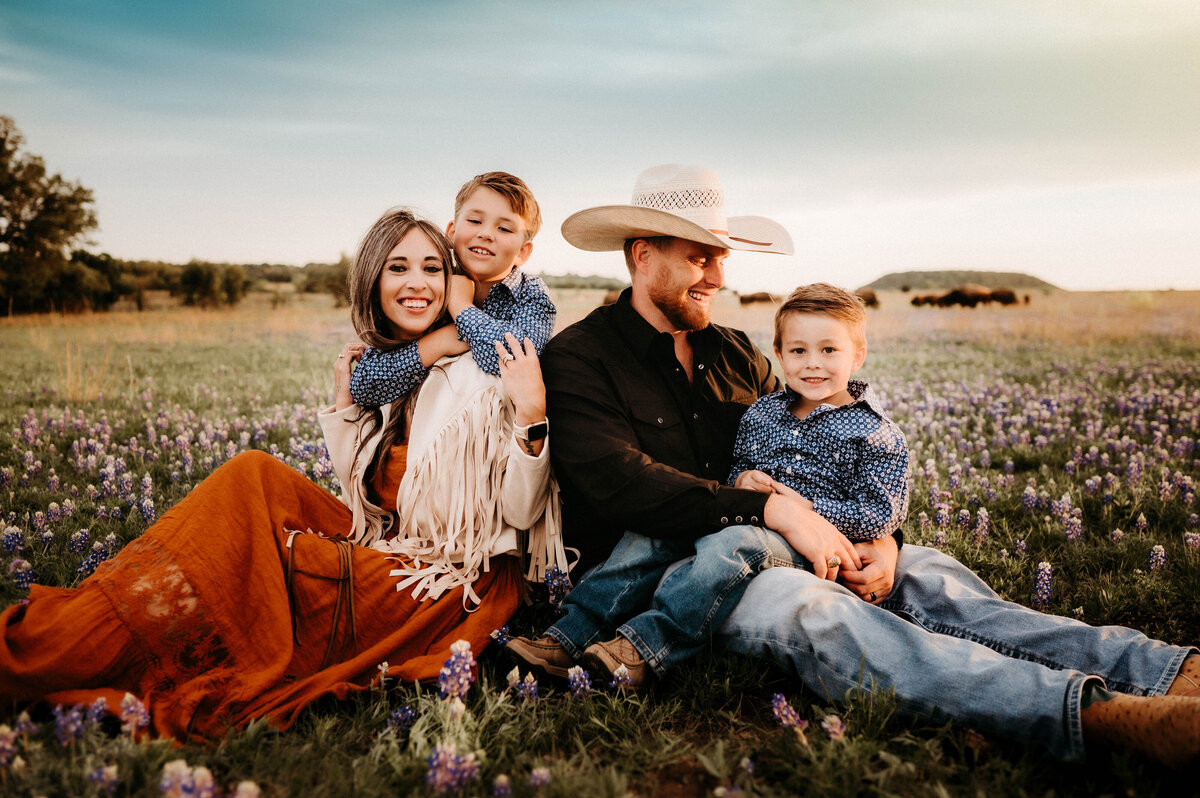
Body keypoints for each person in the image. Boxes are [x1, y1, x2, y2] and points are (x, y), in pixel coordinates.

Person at [509, 163, 1200, 767]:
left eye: (720, 258)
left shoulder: (734, 351)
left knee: (932, 579)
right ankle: (1096, 717)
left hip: (785, 538)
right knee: (822, 615)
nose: (719, 276)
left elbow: (801, 449)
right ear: (641, 256)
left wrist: (883, 542)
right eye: (699, 259)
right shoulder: (582, 357)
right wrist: (772, 511)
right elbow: (621, 485)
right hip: (675, 581)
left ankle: (1167, 672)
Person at [0, 208, 566, 742]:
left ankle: (75, 648)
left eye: (431, 268)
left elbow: (518, 515)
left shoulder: (489, 366)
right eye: (398, 267)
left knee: (279, 566)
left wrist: (531, 415)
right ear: (373, 280)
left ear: (454, 281)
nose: (415, 283)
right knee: (253, 477)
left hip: (449, 580)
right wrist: (346, 411)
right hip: (393, 543)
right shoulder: (401, 367)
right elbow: (367, 501)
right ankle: (89, 628)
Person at [510, 281, 908, 687]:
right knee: (649, 538)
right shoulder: (764, 413)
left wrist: (806, 514)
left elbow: (881, 510)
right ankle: (573, 631)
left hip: (809, 544)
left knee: (728, 547)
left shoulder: (875, 433)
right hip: (753, 516)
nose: (813, 364)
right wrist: (743, 480)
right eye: (799, 351)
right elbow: (739, 465)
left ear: (857, 356)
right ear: (780, 354)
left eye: (829, 350)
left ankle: (646, 645)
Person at [350, 172, 556, 408]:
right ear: (452, 231)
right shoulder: (432, 285)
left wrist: (461, 307)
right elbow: (365, 385)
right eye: (475, 221)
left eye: (505, 229)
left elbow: (512, 359)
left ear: (523, 252)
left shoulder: (531, 295)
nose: (486, 234)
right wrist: (441, 342)